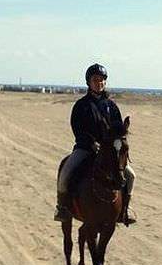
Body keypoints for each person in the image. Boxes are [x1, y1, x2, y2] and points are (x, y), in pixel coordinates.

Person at [54, 63, 136, 226]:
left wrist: (116, 144)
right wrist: (91, 143)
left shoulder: (111, 106)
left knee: (131, 175)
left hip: (109, 151)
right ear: (89, 82)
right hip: (85, 149)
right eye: (95, 80)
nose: (99, 83)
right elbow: (77, 128)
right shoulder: (81, 105)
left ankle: (125, 209)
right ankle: (62, 207)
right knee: (66, 172)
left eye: (102, 80)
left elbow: (118, 129)